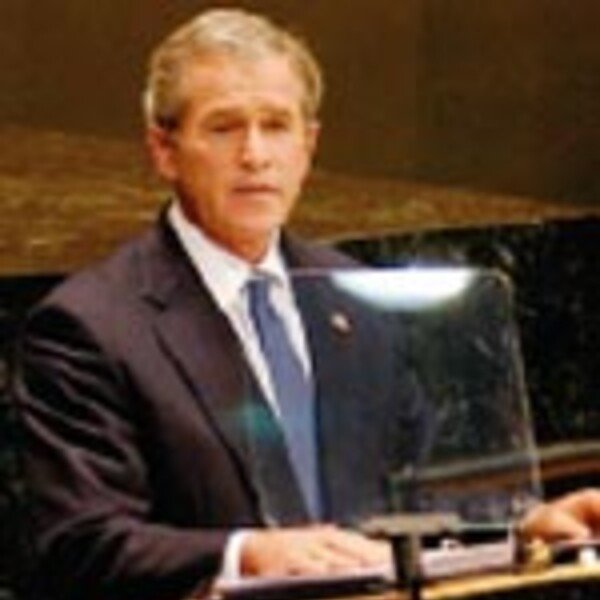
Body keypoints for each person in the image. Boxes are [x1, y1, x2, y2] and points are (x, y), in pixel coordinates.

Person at [10, 8, 599, 600]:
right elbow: (79, 543)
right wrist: (248, 554)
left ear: (308, 146)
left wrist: (522, 531)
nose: (255, 155)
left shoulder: (356, 299)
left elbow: (417, 495)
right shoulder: (91, 326)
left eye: (276, 125)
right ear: (164, 150)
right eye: (224, 128)